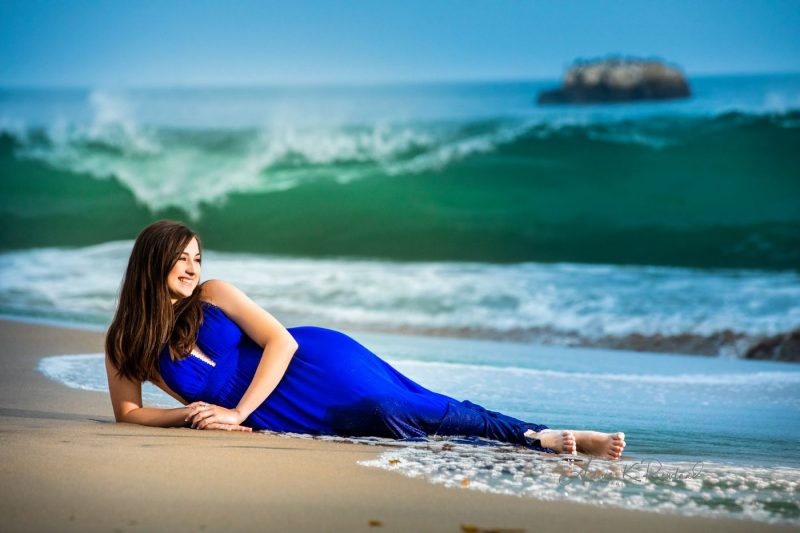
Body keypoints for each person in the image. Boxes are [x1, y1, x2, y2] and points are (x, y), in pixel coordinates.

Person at [105, 220, 626, 460]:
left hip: (309, 364)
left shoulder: (216, 293)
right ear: (155, 260)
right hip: (275, 413)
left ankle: (537, 436)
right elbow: (127, 415)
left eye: (199, 257)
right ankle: (523, 445)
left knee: (398, 403)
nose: (194, 268)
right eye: (183, 257)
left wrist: (236, 414)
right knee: (391, 427)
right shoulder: (127, 341)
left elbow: (281, 342)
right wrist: (192, 412)